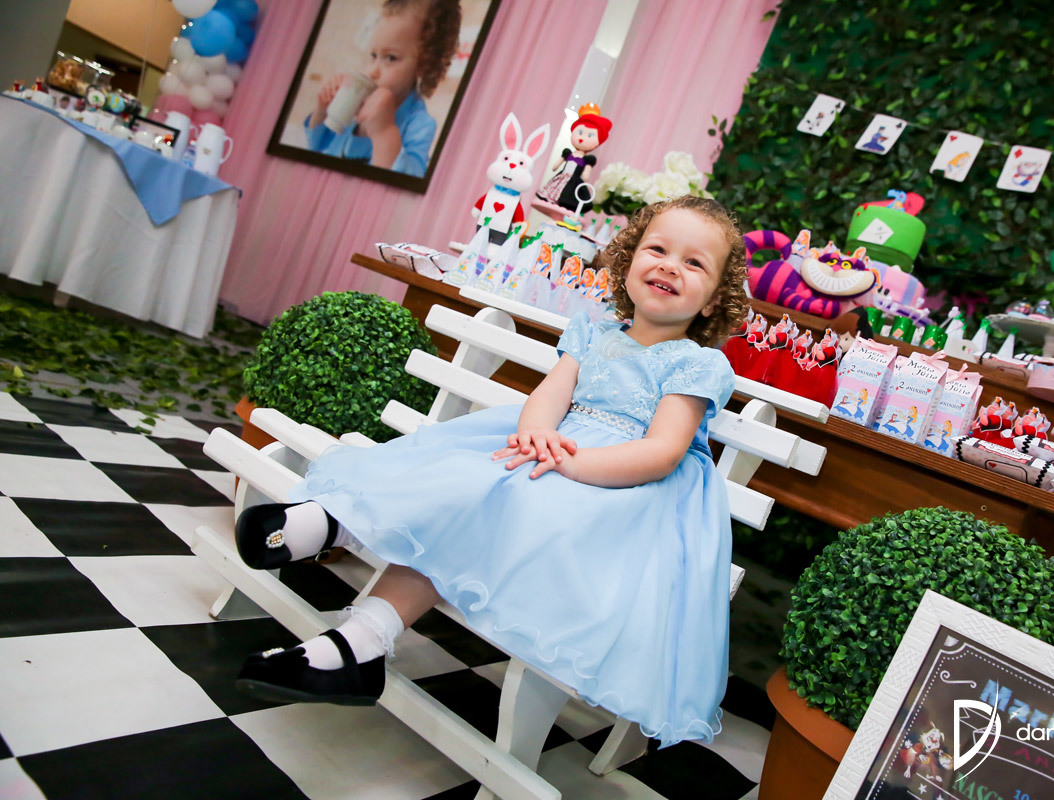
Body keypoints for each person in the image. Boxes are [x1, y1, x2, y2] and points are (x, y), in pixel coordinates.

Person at [233, 195, 751, 746]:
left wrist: (573, 463)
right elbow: (549, 397)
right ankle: (348, 591)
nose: (670, 266)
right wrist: (537, 433)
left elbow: (663, 452)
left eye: (694, 263)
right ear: (628, 260)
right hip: (549, 453)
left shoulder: (696, 363)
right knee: (459, 482)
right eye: (658, 249)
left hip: (620, 491)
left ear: (713, 300)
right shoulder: (595, 335)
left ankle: (352, 615)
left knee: (483, 503)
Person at [305, 0, 460, 176]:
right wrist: (322, 112)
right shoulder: (356, 101)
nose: (373, 71)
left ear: (423, 65)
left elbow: (408, 179)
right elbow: (316, 148)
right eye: (373, 56)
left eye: (390, 58)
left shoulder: (419, 123)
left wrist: (384, 132)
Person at [536, 104, 612, 215]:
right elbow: (556, 166)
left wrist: (585, 175)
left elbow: (586, 174)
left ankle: (564, 205)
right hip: (562, 177)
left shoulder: (588, 159)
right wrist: (556, 166)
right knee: (556, 191)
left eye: (589, 136)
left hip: (574, 180)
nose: (582, 138)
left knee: (569, 196)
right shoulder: (568, 153)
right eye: (580, 133)